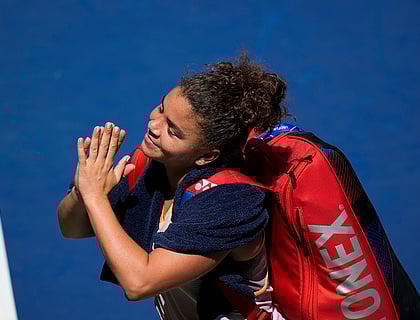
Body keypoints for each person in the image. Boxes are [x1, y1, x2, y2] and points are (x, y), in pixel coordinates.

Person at [57, 52, 288, 319]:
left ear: (206, 156)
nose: (154, 125)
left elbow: (139, 283)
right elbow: (72, 228)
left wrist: (95, 196)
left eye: (172, 130)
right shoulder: (150, 166)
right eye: (161, 108)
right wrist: (82, 192)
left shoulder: (232, 202)